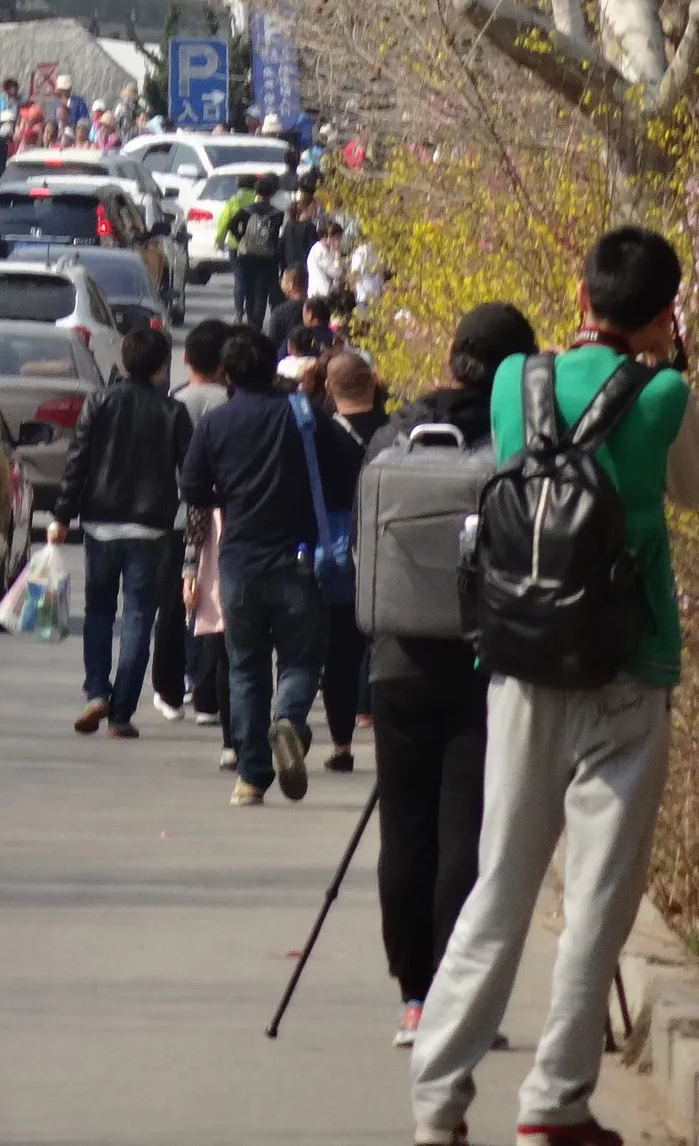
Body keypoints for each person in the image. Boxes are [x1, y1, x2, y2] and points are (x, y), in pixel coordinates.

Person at [411, 228, 699, 1146]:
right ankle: (553, 1102)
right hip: (626, 668)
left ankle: (436, 1098)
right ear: (665, 312)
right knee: (598, 899)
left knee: (500, 883)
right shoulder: (663, 395)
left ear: (578, 298)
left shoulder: (511, 384)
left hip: (518, 663)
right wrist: (672, 369)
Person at [365, 301, 536, 1050]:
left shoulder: (393, 434)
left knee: (403, 830)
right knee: (466, 831)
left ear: (453, 353)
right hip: (483, 661)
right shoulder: (514, 444)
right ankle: (456, 996)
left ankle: (412, 998)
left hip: (396, 659)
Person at [179, 324, 363, 805]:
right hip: (299, 558)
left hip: (239, 560)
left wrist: (230, 496)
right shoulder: (302, 414)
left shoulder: (215, 424)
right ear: (272, 366)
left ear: (224, 374)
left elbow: (192, 488)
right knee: (302, 659)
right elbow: (351, 463)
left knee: (244, 669)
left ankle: (251, 777)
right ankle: (288, 718)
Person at [49, 326, 194, 738]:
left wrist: (61, 516)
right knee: (137, 618)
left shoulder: (100, 402)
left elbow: (77, 462)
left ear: (123, 361)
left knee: (99, 611)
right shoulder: (173, 413)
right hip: (151, 529)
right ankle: (120, 713)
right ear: (161, 366)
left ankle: (97, 689)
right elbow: (191, 474)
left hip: (100, 523)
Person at [318, 348, 388, 773]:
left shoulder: (322, 434)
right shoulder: (397, 432)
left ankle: (342, 744)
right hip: (387, 547)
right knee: (384, 647)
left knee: (339, 653)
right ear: (373, 383)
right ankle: (381, 729)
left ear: (329, 388)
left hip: (339, 551)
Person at [172, 316, 231, 731]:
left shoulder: (175, 400)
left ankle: (186, 677)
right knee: (211, 597)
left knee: (183, 598)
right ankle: (204, 681)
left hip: (176, 512)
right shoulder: (229, 401)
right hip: (217, 511)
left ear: (187, 358)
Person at [220, 171, 286, 330]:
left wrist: (241, 237)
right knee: (261, 293)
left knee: (248, 290)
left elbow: (230, 225)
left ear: (256, 192)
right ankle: (257, 323)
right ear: (271, 194)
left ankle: (249, 320)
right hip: (267, 258)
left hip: (247, 256)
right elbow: (277, 235)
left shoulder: (245, 210)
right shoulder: (277, 214)